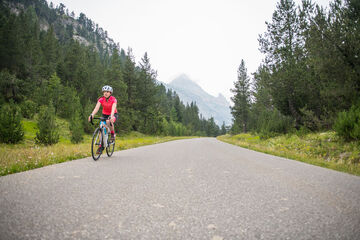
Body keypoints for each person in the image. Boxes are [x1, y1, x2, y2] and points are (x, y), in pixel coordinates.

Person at [88, 85, 118, 152]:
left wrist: (111, 116)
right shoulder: (101, 99)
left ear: (110, 93)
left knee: (108, 121)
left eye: (107, 92)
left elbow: (113, 108)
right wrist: (92, 115)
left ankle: (112, 134)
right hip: (104, 114)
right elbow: (96, 108)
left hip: (113, 114)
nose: (106, 93)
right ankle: (101, 146)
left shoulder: (113, 99)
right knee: (101, 127)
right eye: (104, 92)